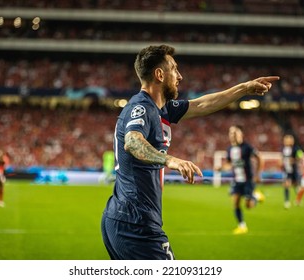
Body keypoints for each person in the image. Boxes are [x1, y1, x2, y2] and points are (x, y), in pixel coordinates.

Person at [101, 44, 279, 259]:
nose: (180, 76)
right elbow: (132, 141)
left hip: (126, 219)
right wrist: (170, 160)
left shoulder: (162, 109)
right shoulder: (141, 107)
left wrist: (244, 88)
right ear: (159, 74)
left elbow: (202, 105)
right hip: (135, 223)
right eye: (174, 69)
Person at [221, 125, 263, 235]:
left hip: (248, 180)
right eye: (231, 133)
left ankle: (257, 196)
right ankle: (242, 226)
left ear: (241, 134)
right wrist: (221, 168)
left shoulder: (247, 147)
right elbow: (230, 164)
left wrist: (258, 174)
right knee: (235, 203)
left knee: (248, 206)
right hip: (237, 180)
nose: (233, 135)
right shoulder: (229, 149)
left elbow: (259, 158)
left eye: (235, 132)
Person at [281, 134, 303, 209]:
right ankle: (287, 201)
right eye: (285, 140)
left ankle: (298, 200)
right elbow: (283, 158)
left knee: (296, 185)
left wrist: (294, 160)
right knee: (286, 185)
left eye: (288, 140)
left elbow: (301, 156)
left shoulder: (296, 148)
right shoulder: (283, 149)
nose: (286, 141)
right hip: (287, 170)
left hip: (294, 170)